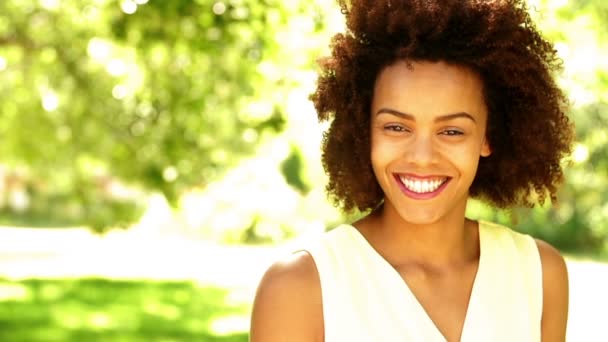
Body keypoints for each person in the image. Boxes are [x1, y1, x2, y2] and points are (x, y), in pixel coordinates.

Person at [250, 0, 573, 341]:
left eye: (452, 131)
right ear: (365, 129)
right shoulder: (300, 288)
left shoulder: (539, 275)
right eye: (396, 127)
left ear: (488, 136)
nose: (422, 157)